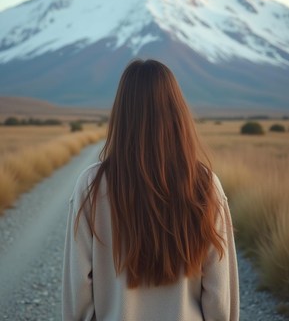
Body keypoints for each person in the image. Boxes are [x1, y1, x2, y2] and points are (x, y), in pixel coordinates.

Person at [62, 59, 239, 321]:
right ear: (177, 113)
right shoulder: (205, 185)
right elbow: (220, 298)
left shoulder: (92, 185)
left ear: (121, 113)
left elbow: (78, 292)